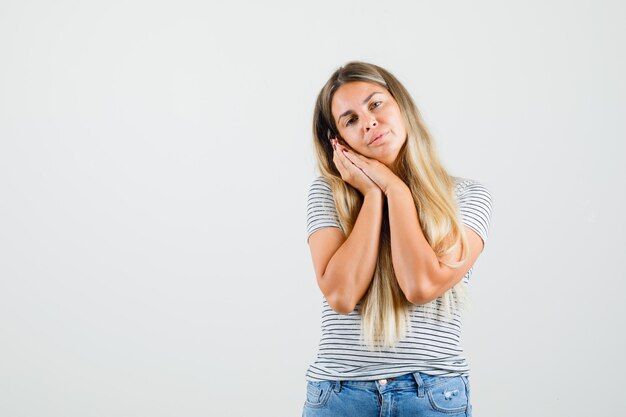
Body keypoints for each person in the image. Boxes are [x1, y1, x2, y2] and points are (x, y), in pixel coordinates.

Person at [303, 61, 493, 417]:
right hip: (340, 394)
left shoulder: (467, 197)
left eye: (375, 104)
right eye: (350, 120)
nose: (369, 121)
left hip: (432, 394)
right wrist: (373, 196)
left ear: (400, 105)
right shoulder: (327, 194)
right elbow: (341, 295)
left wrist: (395, 189)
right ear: (338, 141)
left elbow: (420, 285)